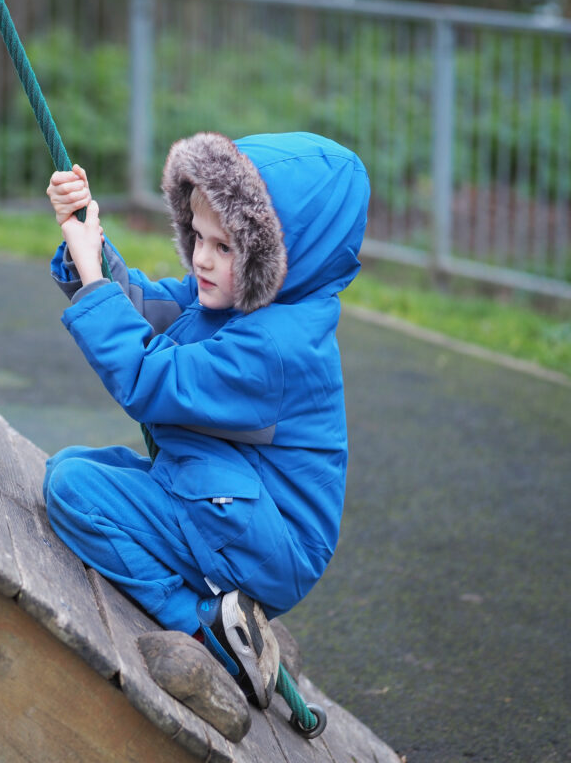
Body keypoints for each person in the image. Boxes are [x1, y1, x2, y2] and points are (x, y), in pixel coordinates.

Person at [42, 131, 370, 708]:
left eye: (225, 247)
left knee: (73, 490)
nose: (201, 259)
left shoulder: (274, 347)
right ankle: (238, 621)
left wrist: (95, 283)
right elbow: (154, 310)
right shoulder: (240, 297)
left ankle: (207, 631)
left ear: (279, 259)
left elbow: (148, 378)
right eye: (198, 237)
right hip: (231, 502)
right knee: (79, 467)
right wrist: (88, 244)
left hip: (267, 539)